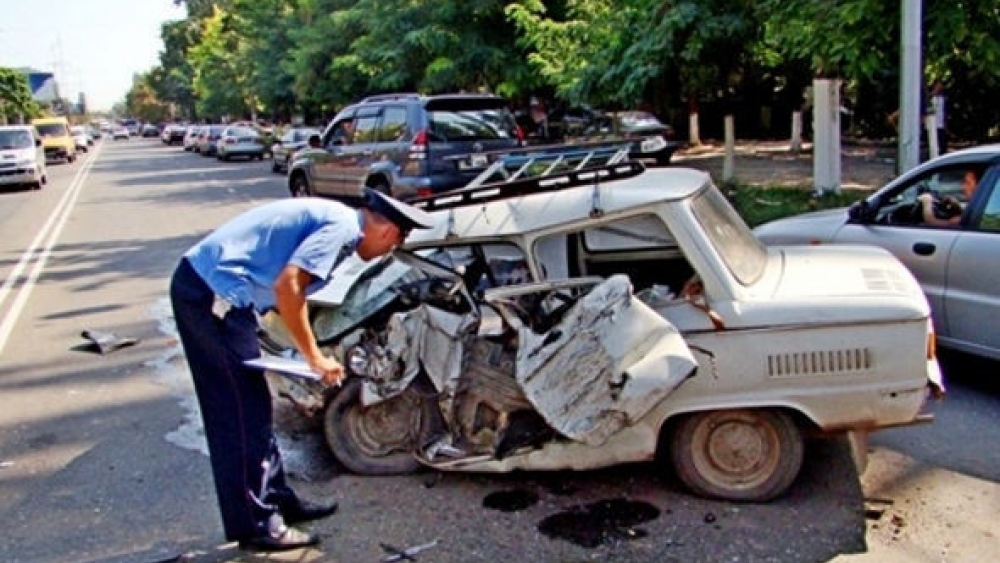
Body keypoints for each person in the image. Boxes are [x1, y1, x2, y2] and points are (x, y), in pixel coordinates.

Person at [169, 189, 434, 552]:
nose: (386, 252)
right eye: (392, 245)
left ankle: (277, 499)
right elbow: (290, 286)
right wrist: (315, 357)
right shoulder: (342, 229)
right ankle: (258, 525)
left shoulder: (339, 221)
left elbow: (284, 286)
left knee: (254, 405)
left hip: (225, 298)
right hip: (208, 298)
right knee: (237, 413)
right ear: (388, 233)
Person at [930, 80, 948, 154]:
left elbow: (945, 112)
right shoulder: (930, 97)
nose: (939, 87)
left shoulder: (944, 98)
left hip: (941, 125)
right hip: (932, 125)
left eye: (941, 85)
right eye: (938, 85)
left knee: (943, 145)